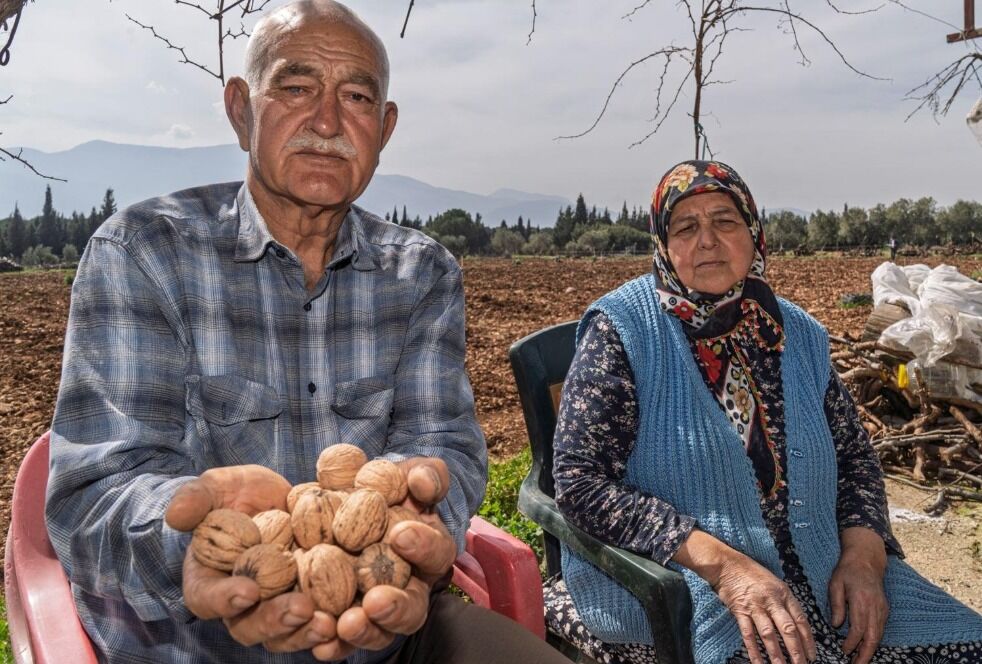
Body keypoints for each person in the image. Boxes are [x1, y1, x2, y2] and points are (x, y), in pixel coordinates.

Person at [45, 2, 568, 663]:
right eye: (295, 88)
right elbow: (97, 492)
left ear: (384, 126)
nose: (326, 121)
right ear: (241, 111)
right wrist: (200, 549)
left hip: (386, 629)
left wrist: (420, 527)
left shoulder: (422, 272)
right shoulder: (144, 253)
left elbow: (443, 449)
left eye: (356, 97)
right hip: (188, 646)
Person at [551, 160, 982, 664]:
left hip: (823, 573)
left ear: (754, 233)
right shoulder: (623, 332)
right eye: (685, 227)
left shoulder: (796, 332)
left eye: (725, 221)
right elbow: (580, 483)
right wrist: (725, 566)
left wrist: (865, 558)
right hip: (686, 583)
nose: (707, 240)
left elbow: (855, 458)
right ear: (664, 246)